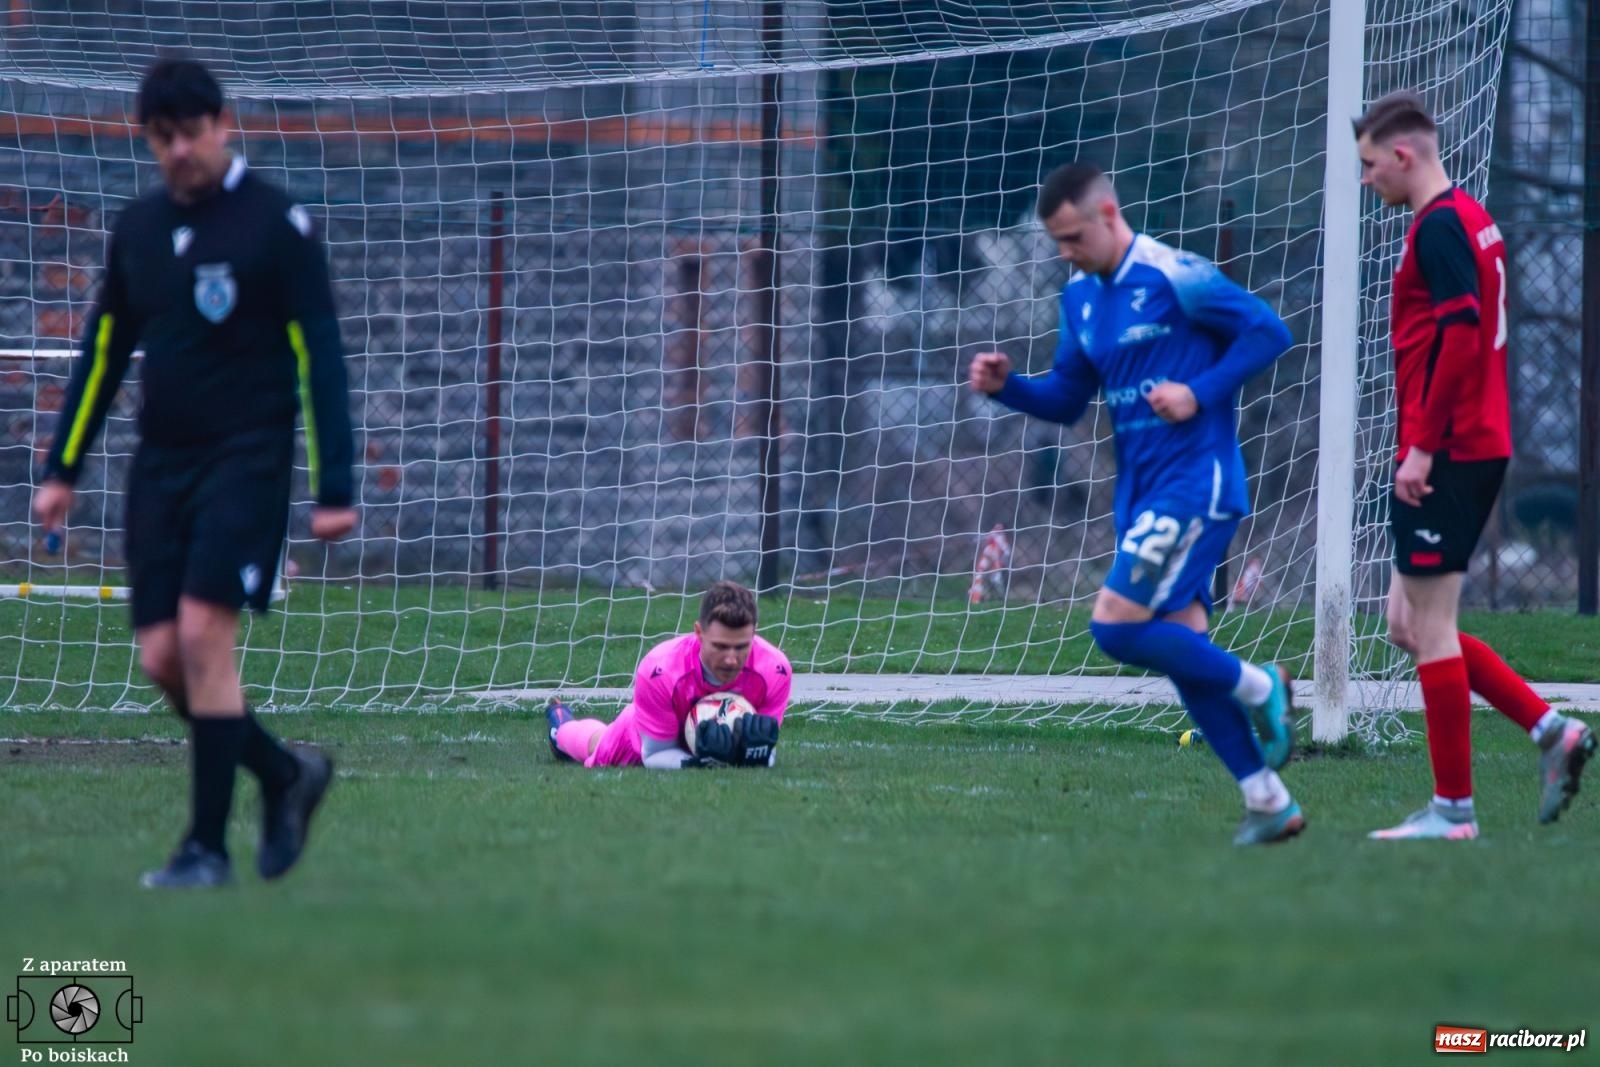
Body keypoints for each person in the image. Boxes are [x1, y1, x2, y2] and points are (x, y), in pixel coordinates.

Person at [32, 58, 357, 887]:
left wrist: (334, 486)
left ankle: (204, 850)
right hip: (162, 466)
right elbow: (103, 349)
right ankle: (285, 775)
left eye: (190, 133)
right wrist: (63, 465)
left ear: (223, 123)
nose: (177, 151)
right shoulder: (139, 229)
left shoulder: (277, 224)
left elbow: (318, 352)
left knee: (206, 635)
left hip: (247, 459)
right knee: (161, 658)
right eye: (161, 138)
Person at [967, 161, 1301, 845]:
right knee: (1182, 650)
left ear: (1109, 213)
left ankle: (1263, 684)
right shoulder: (1080, 299)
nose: (1065, 252)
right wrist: (1007, 387)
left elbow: (1268, 331)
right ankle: (1268, 799)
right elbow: (1065, 399)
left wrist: (1197, 393)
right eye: (1056, 241)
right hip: (1141, 496)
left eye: (1072, 236)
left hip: (1196, 483)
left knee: (1114, 627)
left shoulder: (1175, 273)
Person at [1355, 90, 1596, 840]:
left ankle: (1453, 810)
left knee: (1430, 628)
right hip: (1466, 441)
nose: (1367, 181)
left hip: (1449, 449)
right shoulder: (1471, 217)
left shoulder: (1439, 229)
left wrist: (1423, 444)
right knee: (1406, 621)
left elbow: (1461, 336)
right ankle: (1551, 728)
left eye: (1369, 166)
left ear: (1404, 154)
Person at [547, 581, 787, 769]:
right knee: (596, 744)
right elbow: (655, 755)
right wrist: (700, 764)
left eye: (742, 646)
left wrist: (754, 754)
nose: (731, 659)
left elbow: (764, 750)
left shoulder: (775, 670)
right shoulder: (659, 670)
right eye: (721, 646)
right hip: (643, 737)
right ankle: (560, 723)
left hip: (673, 724)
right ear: (699, 632)